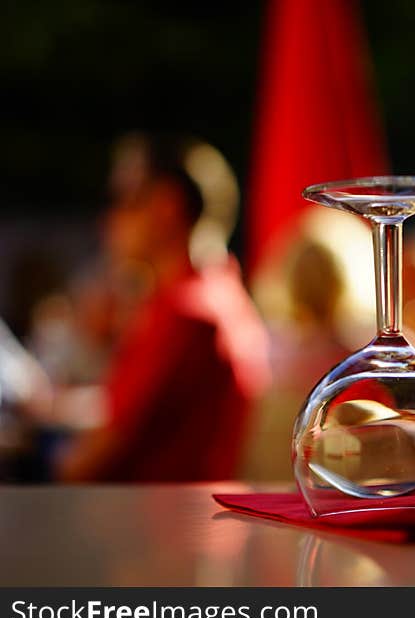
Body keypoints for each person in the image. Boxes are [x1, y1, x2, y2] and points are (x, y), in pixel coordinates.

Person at [55, 135, 270, 481]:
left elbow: (83, 464)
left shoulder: (185, 314)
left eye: (123, 199)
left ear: (166, 205)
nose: (108, 219)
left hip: (148, 526)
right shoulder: (220, 295)